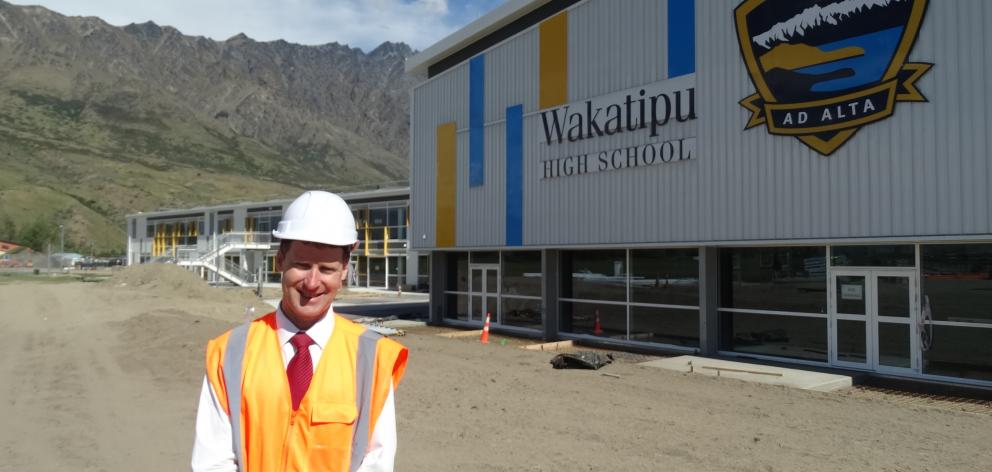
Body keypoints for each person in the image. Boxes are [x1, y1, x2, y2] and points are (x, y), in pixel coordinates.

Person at [192, 191, 408, 472]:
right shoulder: (230, 352)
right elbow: (213, 462)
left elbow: (376, 463)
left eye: (327, 269)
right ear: (280, 260)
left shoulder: (373, 358)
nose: (312, 282)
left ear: (344, 269)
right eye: (302, 265)